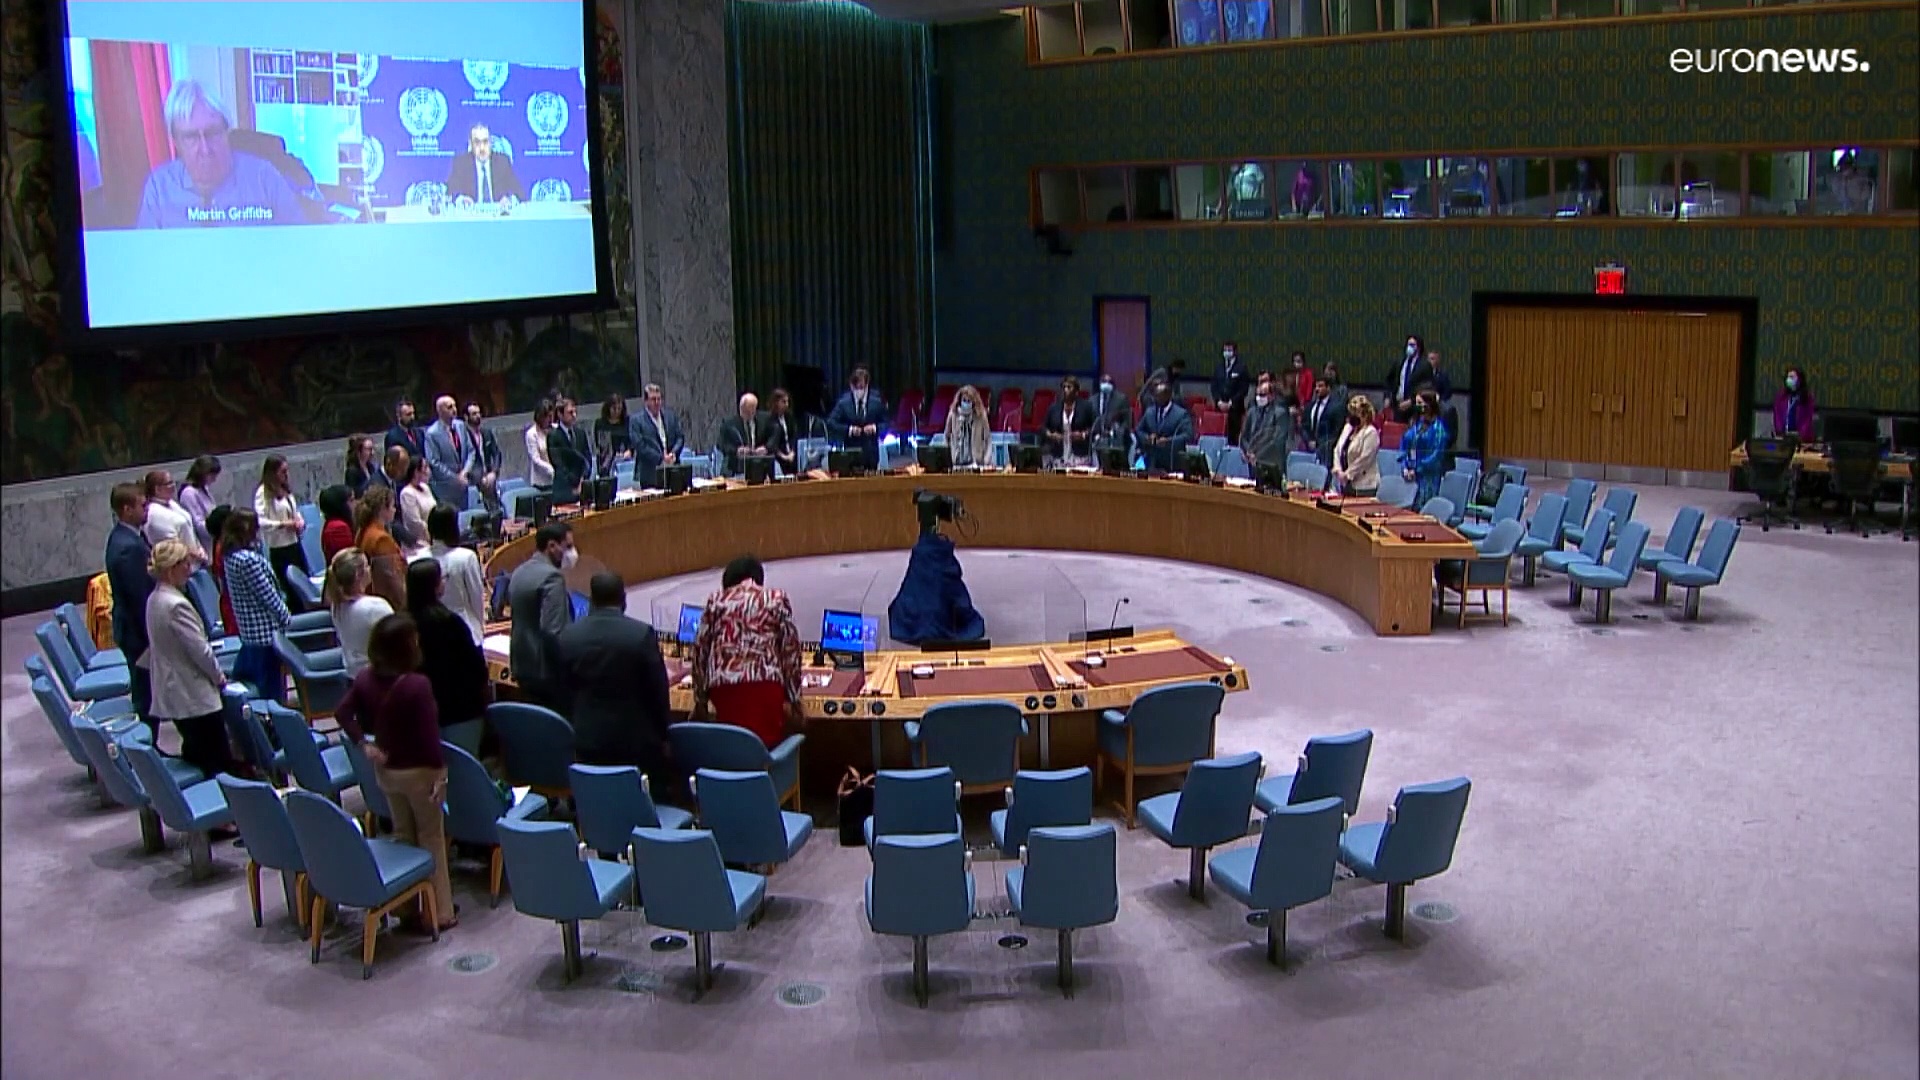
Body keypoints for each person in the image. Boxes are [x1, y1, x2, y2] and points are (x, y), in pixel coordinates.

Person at [334, 614, 457, 934]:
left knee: (403, 834)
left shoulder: (364, 679)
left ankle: (405, 906)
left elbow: (342, 713)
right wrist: (442, 774)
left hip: (387, 771)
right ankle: (440, 912)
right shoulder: (418, 686)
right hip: (420, 772)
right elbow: (429, 739)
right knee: (432, 839)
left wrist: (364, 744)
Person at [557, 571, 674, 791]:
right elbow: (657, 691)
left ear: (591, 600)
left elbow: (563, 689)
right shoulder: (640, 634)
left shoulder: (569, 636)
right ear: (624, 599)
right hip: (635, 743)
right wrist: (665, 734)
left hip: (586, 739)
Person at [134, 80, 305, 229]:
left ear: (226, 131)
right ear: (176, 141)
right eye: (191, 137)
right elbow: (146, 253)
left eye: (213, 133)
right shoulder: (159, 187)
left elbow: (301, 243)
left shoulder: (265, 178)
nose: (205, 149)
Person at [142, 539, 243, 785]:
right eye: (184, 564)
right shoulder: (176, 605)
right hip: (193, 695)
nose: (189, 569)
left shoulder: (154, 599)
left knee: (196, 751)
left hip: (175, 691)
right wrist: (219, 678)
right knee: (216, 761)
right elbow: (200, 652)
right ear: (171, 569)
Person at [691, 556, 803, 750]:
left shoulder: (716, 600)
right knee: (765, 748)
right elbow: (790, 650)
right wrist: (794, 698)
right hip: (766, 687)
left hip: (724, 690)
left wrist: (700, 700)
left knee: (732, 748)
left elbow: (700, 651)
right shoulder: (775, 598)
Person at [404, 559, 490, 752]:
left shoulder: (403, 622)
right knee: (464, 762)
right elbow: (474, 667)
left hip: (421, 711)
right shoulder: (449, 621)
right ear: (434, 585)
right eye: (442, 578)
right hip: (459, 710)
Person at [220, 509, 290, 706]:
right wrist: (286, 617)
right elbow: (268, 596)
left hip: (250, 631)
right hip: (265, 633)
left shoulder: (230, 556)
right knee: (271, 690)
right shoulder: (248, 560)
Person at [105, 483, 157, 738]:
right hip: (138, 634)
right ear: (126, 509)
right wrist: (152, 638)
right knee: (145, 694)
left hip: (133, 629)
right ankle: (146, 748)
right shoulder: (128, 548)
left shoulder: (127, 537)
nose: (147, 509)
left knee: (147, 690)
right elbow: (139, 598)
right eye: (142, 505)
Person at [507, 522, 577, 709]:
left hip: (521, 663)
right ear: (552, 546)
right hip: (545, 670)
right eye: (568, 546)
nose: (572, 553)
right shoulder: (552, 577)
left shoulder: (519, 571)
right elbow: (554, 631)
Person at [324, 547, 393, 678]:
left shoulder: (336, 605)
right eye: (367, 566)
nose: (370, 569)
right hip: (380, 677)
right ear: (358, 575)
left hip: (353, 674)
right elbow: (398, 643)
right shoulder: (374, 607)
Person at [425, 504, 487, 644]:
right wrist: (480, 626)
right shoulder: (466, 557)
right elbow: (476, 596)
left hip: (430, 633)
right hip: (464, 629)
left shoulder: (417, 559)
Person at [253, 454, 308, 604]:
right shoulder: (263, 493)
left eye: (287, 470)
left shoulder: (285, 489)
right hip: (279, 548)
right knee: (291, 591)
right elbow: (260, 521)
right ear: (272, 473)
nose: (286, 475)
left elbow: (295, 511)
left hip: (295, 544)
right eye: (282, 471)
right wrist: (282, 524)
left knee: (304, 587)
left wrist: (300, 522)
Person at [444, 120, 524, 208]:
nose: (482, 148)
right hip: (471, 215)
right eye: (477, 142)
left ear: (490, 143)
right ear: (470, 144)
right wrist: (461, 199)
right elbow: (451, 190)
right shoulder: (461, 163)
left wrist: (509, 199)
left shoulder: (502, 162)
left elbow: (519, 192)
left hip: (499, 214)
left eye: (485, 141)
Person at [352, 486, 408, 609]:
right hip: (386, 601)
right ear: (383, 509)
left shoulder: (363, 530)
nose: (395, 510)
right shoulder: (381, 539)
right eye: (392, 506)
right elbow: (392, 579)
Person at [827, 366, 889, 470]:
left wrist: (875, 428)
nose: (860, 391)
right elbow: (831, 422)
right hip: (850, 453)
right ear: (851, 386)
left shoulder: (877, 402)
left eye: (862, 387)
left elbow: (887, 423)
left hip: (871, 454)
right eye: (857, 388)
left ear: (867, 385)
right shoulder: (843, 403)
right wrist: (849, 430)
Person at [141, 469, 203, 566]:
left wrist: (199, 548)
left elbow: (188, 527)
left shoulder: (171, 503)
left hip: (196, 561)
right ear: (157, 489)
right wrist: (196, 554)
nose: (174, 485)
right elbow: (170, 544)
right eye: (169, 483)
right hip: (180, 566)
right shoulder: (154, 514)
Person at [1401, 389, 1451, 508]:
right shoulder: (1416, 425)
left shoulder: (1439, 429)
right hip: (1411, 475)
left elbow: (1435, 456)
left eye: (1420, 403)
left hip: (1428, 478)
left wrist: (1417, 469)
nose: (1417, 406)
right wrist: (1405, 467)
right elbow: (1405, 446)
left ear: (1428, 405)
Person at [422, 395, 473, 508]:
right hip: (446, 488)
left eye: (455, 406)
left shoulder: (460, 425)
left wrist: (464, 472)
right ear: (440, 411)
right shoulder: (432, 433)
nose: (454, 410)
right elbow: (434, 462)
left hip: (463, 484)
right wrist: (456, 478)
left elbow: (471, 450)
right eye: (450, 407)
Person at [631, 384, 685, 489]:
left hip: (673, 470)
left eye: (659, 399)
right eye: (653, 399)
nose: (656, 402)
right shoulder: (636, 421)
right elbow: (640, 446)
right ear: (646, 401)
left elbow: (680, 437)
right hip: (650, 474)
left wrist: (673, 453)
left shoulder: (670, 416)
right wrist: (661, 458)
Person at [1134, 380, 1194, 472]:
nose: (1155, 398)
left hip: (1172, 462)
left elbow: (1188, 435)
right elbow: (1138, 430)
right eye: (1155, 395)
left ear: (1167, 396)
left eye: (1158, 396)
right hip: (1151, 462)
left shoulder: (1181, 414)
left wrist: (1168, 441)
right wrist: (1147, 438)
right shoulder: (1150, 411)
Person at [1330, 395, 1382, 497]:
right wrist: (1338, 469)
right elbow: (1337, 449)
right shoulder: (1348, 428)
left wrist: (1347, 474)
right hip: (1344, 482)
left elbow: (1365, 459)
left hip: (1364, 485)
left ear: (1365, 415)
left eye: (1355, 413)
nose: (1352, 416)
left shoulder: (1371, 432)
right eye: (1351, 413)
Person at [1240, 371, 1291, 472]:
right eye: (1258, 395)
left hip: (1271, 463)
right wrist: (1248, 452)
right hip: (1251, 462)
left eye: (1263, 395)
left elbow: (1277, 441)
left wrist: (1257, 455)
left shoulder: (1281, 413)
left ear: (1272, 396)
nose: (1259, 398)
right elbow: (1244, 436)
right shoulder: (1252, 411)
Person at [547, 397, 594, 505]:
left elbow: (587, 458)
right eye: (570, 412)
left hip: (583, 486)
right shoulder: (553, 436)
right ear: (560, 414)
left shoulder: (580, 433)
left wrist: (582, 480)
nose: (574, 415)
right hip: (564, 490)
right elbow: (558, 464)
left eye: (575, 412)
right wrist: (574, 483)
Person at [716, 393, 774, 476]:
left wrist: (766, 448)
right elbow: (721, 444)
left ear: (755, 409)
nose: (746, 414)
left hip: (761, 466)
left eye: (749, 411)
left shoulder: (765, 419)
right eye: (743, 410)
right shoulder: (729, 424)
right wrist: (737, 450)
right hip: (736, 468)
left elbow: (774, 437)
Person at [462, 402, 503, 513]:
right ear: (466, 417)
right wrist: (479, 478)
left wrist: (493, 472)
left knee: (496, 511)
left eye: (479, 413)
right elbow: (465, 461)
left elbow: (496, 454)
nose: (478, 416)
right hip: (473, 482)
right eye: (474, 414)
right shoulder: (463, 436)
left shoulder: (487, 433)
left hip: (489, 479)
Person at [1045, 375, 1095, 466]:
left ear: (1076, 391)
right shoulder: (1054, 408)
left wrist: (1083, 435)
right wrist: (1051, 435)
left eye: (1069, 387)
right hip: (1058, 456)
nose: (1065, 390)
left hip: (1080, 456)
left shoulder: (1086, 407)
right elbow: (1043, 428)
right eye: (1064, 387)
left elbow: (1095, 428)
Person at [178, 454, 222, 553]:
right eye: (212, 475)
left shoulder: (203, 488)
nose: (214, 479)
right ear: (202, 473)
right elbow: (198, 523)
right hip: (203, 544)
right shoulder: (189, 493)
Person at [943, 385, 993, 469]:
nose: (966, 403)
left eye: (969, 401)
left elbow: (988, 439)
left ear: (974, 402)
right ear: (960, 401)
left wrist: (986, 460)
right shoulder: (953, 413)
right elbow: (946, 435)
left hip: (976, 462)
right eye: (964, 400)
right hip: (956, 461)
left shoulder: (981, 416)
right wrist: (947, 458)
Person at [1211, 343, 1251, 446]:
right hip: (1219, 407)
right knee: (1218, 437)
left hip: (1235, 409)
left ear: (1235, 352)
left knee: (1233, 438)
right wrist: (1219, 401)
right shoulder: (1219, 367)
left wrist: (1231, 403)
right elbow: (1214, 387)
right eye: (1225, 350)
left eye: (1229, 350)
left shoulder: (1241, 368)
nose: (1227, 352)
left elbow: (1244, 389)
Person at [1303, 376, 1345, 468]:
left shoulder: (1337, 407)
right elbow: (1305, 426)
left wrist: (1320, 444)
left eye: (1320, 386)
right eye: (1316, 386)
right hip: (1309, 449)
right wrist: (1309, 440)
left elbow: (1337, 431)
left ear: (1328, 388)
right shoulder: (1310, 406)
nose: (1317, 389)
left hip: (1327, 451)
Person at [1383, 334, 1426, 423]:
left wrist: (1412, 401)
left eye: (1412, 345)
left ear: (1418, 347)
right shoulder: (1399, 362)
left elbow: (1427, 388)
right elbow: (1389, 380)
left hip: (1415, 408)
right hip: (1398, 406)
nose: (1409, 347)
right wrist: (1387, 396)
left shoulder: (1424, 366)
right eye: (1408, 344)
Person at [398, 456, 436, 553]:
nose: (428, 471)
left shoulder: (425, 487)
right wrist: (432, 532)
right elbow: (414, 523)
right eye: (425, 467)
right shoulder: (407, 493)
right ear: (416, 472)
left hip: (434, 535)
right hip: (419, 543)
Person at [1089, 372, 1132, 453]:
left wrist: (1115, 432)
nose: (1106, 384)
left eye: (1109, 382)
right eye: (1104, 381)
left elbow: (1127, 421)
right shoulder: (1092, 400)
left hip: (1116, 441)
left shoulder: (1121, 399)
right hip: (1097, 440)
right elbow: (1090, 420)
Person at [595, 393, 636, 474]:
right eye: (614, 409)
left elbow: (632, 441)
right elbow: (601, 445)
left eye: (619, 408)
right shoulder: (600, 424)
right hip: (606, 462)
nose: (617, 411)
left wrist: (629, 451)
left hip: (625, 460)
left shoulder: (627, 421)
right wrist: (612, 455)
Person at [1773, 367, 1817, 442]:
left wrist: (1800, 436)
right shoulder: (1781, 397)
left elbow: (1808, 420)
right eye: (1788, 377)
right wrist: (1780, 433)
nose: (1789, 379)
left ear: (1799, 380)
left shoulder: (1807, 398)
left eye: (1792, 377)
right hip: (1783, 437)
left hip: (1802, 439)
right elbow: (1777, 417)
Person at [317, 484, 356, 563]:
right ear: (340, 505)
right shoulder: (338, 527)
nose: (355, 504)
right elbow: (349, 561)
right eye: (351, 501)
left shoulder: (334, 523)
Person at [766, 388, 799, 475]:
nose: (787, 404)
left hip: (791, 456)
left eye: (787, 402)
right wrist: (783, 456)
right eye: (783, 402)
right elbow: (771, 444)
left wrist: (792, 452)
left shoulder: (789, 417)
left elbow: (793, 436)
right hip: (778, 459)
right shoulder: (770, 420)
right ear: (776, 402)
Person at [525, 398, 556, 489]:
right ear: (540, 417)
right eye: (547, 417)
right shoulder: (531, 434)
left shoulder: (556, 429)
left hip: (558, 480)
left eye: (551, 416)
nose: (550, 420)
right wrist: (550, 469)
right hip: (541, 483)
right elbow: (536, 459)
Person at [385, 398, 426, 463]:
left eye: (413, 413)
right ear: (399, 416)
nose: (412, 417)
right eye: (408, 414)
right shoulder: (392, 437)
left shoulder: (420, 433)